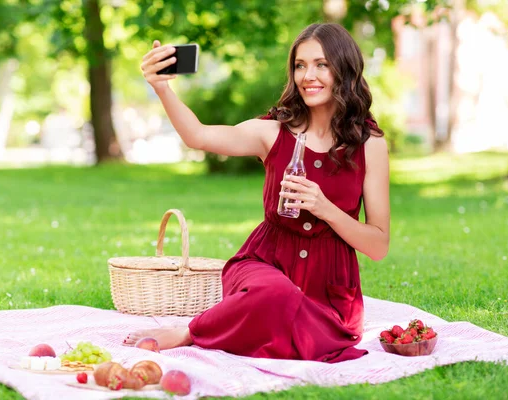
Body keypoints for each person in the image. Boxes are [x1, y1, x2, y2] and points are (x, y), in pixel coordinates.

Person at [124, 23, 390, 363]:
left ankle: (258, 324)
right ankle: (191, 332)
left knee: (312, 326)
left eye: (322, 64)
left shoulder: (369, 145)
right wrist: (162, 89)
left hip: (330, 290)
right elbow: (199, 136)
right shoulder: (274, 131)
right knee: (276, 294)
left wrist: (325, 208)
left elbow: (378, 245)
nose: (308, 75)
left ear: (345, 69)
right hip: (265, 265)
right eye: (300, 65)